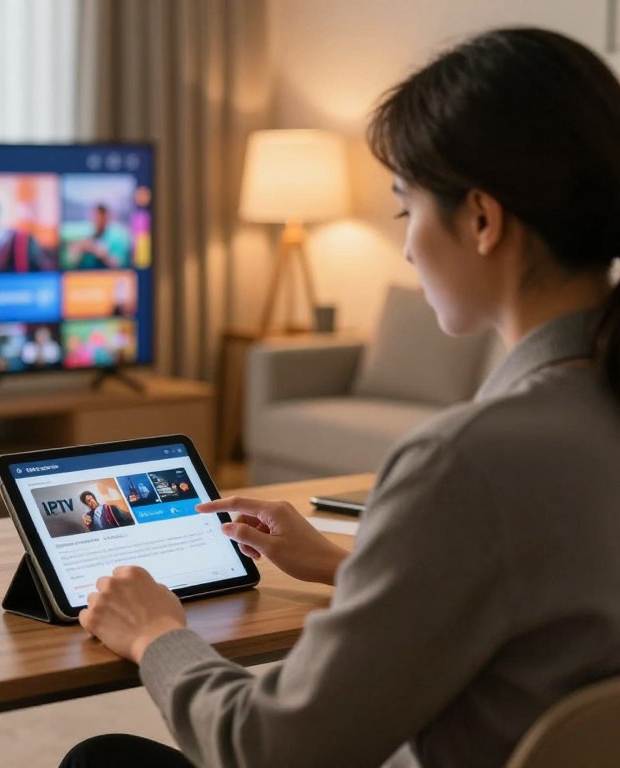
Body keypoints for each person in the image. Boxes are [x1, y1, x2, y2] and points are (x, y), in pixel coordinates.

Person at [61, 28, 620, 768]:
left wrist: (156, 635)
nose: (410, 247)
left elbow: (272, 748)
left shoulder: (465, 460)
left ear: (483, 220)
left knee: (103, 759)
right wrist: (343, 563)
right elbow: (540, 596)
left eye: (405, 210)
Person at [65, 204, 132, 269]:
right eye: (95, 217)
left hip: (111, 277)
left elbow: (120, 265)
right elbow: (71, 262)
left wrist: (102, 254)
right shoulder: (86, 236)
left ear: (106, 218)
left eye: (100, 217)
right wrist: (78, 249)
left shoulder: (118, 238)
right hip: (87, 277)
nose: (97, 221)